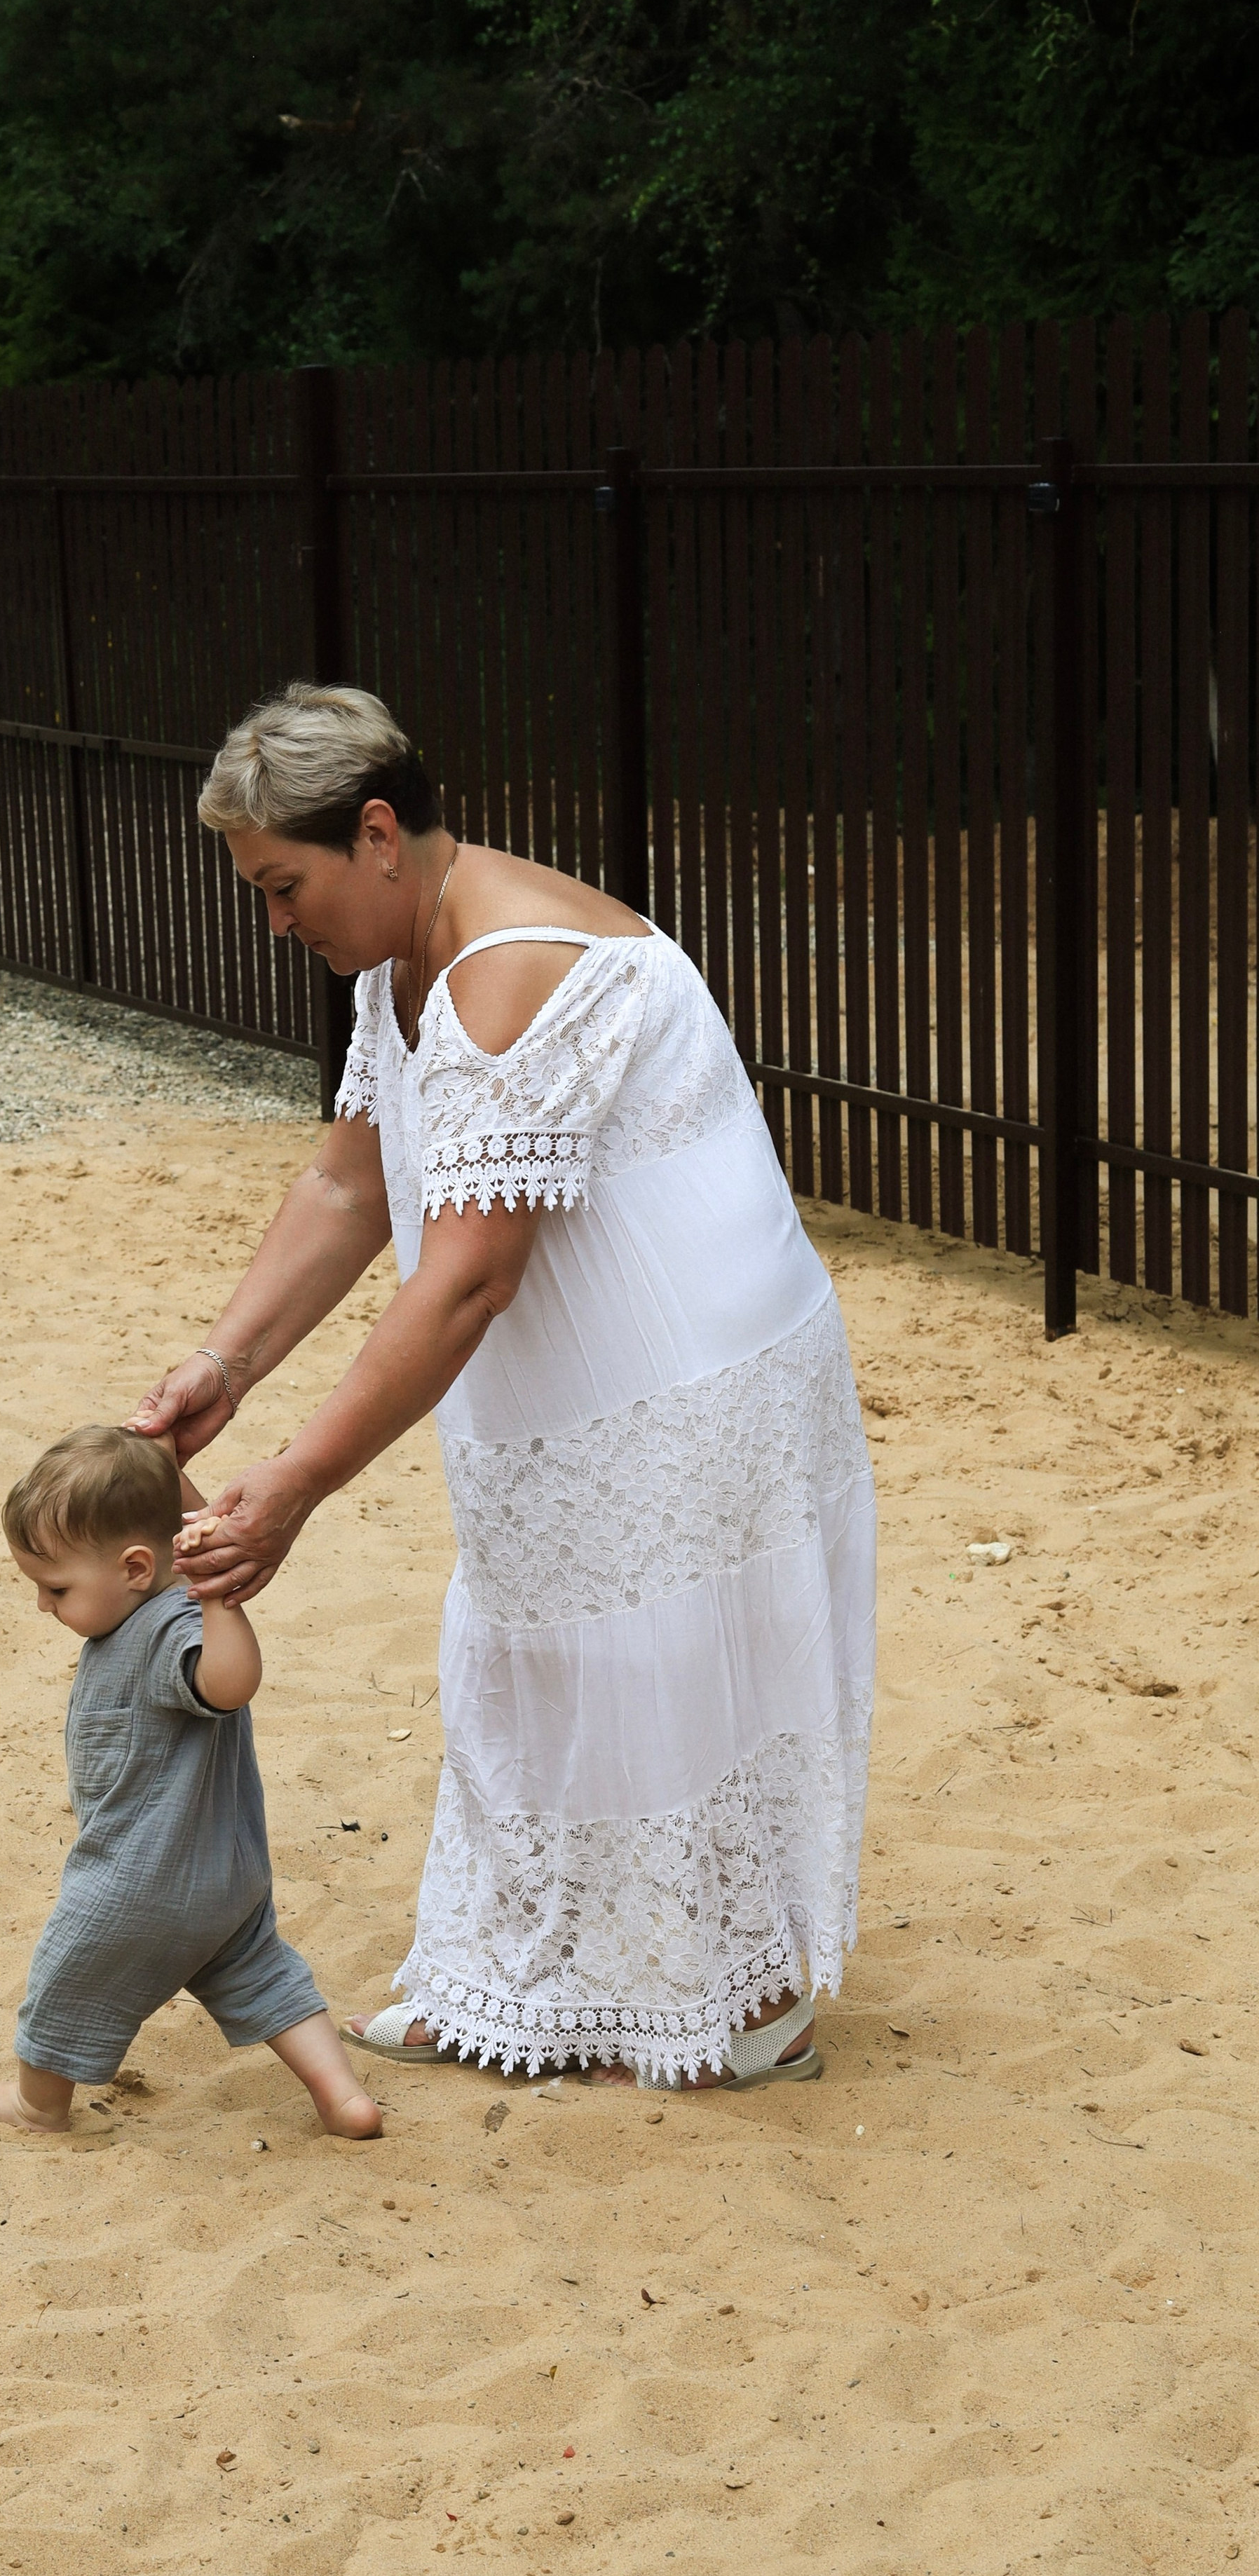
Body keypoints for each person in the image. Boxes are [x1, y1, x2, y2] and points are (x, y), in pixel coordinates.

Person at [131, 682, 876, 2092]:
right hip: (578, 1383)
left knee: (662, 1660)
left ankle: (755, 1994)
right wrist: (226, 1364)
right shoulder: (398, 963)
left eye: (284, 887)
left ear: (375, 835)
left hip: (695, 1371)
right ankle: (534, 1982)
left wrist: (293, 1485)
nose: (276, 923)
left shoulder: (505, 969)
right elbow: (353, 1180)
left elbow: (469, 1279)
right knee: (534, 1645)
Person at [0, 1424, 381, 2139]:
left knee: (64, 1976)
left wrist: (222, 1599)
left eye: (55, 1588)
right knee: (262, 1975)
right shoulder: (152, 1601)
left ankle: (38, 2105)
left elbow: (229, 1684)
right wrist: (172, 1472)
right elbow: (185, 1525)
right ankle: (341, 2096)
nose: (43, 1606)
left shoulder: (169, 1628)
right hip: (226, 1874)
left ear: (131, 1568)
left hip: (141, 1878)